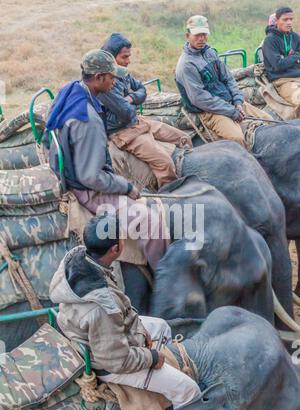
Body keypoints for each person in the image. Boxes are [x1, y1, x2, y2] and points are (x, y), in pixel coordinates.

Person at [49, 215, 202, 410]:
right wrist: (152, 358)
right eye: (121, 238)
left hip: (100, 334)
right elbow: (117, 361)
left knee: (161, 326)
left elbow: (121, 312)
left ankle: (159, 384)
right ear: (115, 249)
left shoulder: (79, 258)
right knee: (189, 390)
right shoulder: (102, 306)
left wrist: (138, 328)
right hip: (108, 362)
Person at [46, 49, 169, 270]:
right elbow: (90, 176)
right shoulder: (88, 120)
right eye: (112, 77)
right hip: (87, 190)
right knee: (152, 222)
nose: (115, 81)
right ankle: (164, 277)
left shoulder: (71, 90)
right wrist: (126, 186)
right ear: (98, 78)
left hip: (77, 172)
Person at [99, 33, 192, 187]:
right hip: (123, 131)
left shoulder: (122, 73)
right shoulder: (105, 82)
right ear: (110, 57)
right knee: (164, 163)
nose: (128, 61)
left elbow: (142, 90)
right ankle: (169, 196)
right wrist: (132, 100)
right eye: (124, 57)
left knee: (184, 138)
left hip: (137, 122)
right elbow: (126, 112)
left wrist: (130, 98)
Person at [175, 15, 272, 147]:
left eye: (204, 34)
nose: (201, 38)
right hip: (210, 111)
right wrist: (231, 111)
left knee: (268, 120)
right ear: (188, 36)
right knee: (236, 138)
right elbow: (199, 98)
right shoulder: (186, 64)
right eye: (197, 35)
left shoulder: (210, 52)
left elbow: (228, 77)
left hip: (230, 102)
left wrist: (238, 101)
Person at [262, 6, 300, 115]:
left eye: (291, 19)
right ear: (277, 21)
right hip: (283, 80)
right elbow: (278, 65)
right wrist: (295, 57)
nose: (289, 22)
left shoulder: (294, 37)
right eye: (285, 19)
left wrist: (287, 59)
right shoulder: (270, 40)